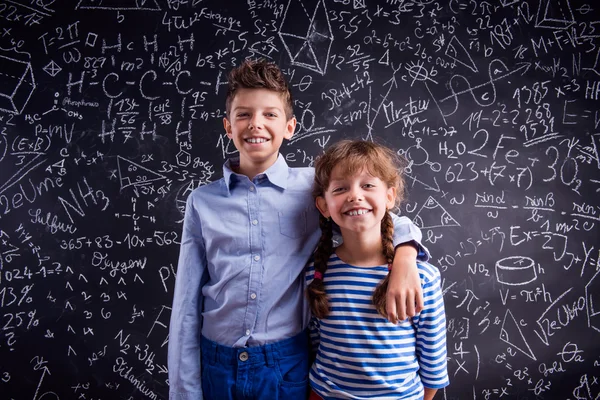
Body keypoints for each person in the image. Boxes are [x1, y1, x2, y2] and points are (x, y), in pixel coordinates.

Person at [168, 59, 430, 400]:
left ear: (290, 126)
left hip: (285, 364)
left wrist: (406, 256)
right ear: (228, 127)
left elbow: (377, 214)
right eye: (243, 114)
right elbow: (186, 303)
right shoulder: (202, 202)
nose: (256, 124)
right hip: (217, 364)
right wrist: (184, 391)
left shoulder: (315, 188)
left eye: (270, 114)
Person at [306, 140, 449, 400]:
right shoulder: (317, 273)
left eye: (368, 185)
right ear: (324, 206)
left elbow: (433, 358)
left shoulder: (421, 278)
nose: (355, 195)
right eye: (340, 188)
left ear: (389, 196)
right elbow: (315, 344)